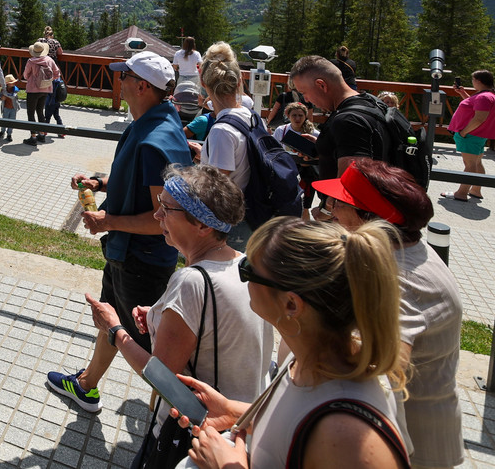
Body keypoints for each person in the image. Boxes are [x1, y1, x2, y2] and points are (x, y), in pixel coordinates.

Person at [179, 217, 410, 469]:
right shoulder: (303, 357)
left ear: (291, 304)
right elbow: (296, 423)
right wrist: (232, 411)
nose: (242, 275)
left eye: (248, 270)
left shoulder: (348, 436)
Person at [82, 165, 271, 468]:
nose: (157, 217)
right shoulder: (246, 264)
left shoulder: (192, 281)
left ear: (202, 225)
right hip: (242, 429)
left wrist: (114, 329)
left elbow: (162, 378)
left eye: (166, 209)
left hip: (196, 435)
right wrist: (159, 317)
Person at [46, 51, 190, 413]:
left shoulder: (156, 141)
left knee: (148, 352)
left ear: (142, 85)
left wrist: (108, 221)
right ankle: (86, 386)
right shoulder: (151, 122)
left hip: (141, 260)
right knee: (111, 319)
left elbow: (165, 219)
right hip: (127, 256)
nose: (118, 80)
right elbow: (135, 183)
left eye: (123, 75)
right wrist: (98, 182)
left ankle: (182, 417)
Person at [313, 159, 463, 469]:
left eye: (338, 203)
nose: (329, 210)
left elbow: (384, 366)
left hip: (412, 448)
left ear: (371, 219)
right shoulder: (402, 248)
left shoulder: (399, 279)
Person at [289, 55, 387, 204]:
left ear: (322, 85)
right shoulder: (372, 102)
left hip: (351, 221)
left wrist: (326, 211)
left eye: (304, 93)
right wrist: (324, 149)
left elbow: (349, 188)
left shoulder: (348, 120)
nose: (306, 100)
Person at [200, 42, 254, 249]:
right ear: (240, 80)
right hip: (252, 216)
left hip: (231, 225)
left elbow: (218, 187)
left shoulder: (221, 130)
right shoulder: (250, 116)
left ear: (203, 83)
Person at [444, 69, 495, 201]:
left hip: (471, 134)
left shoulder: (484, 97)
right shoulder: (487, 95)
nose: (472, 82)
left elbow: (479, 118)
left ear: (478, 81)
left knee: (470, 164)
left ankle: (461, 193)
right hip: (477, 134)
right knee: (477, 162)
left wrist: (463, 132)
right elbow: (475, 108)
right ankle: (476, 190)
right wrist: (463, 93)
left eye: (473, 80)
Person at [273, 101, 319, 219]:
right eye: (294, 115)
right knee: (288, 202)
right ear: (288, 116)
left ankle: (303, 231)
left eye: (300, 115)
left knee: (305, 206)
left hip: (307, 172)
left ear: (305, 116)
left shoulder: (314, 133)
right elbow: (274, 150)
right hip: (288, 170)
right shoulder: (281, 131)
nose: (297, 118)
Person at [23, 41, 61, 145]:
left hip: (32, 90)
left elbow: (25, 75)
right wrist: (48, 80)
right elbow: (57, 73)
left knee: (31, 114)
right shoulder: (49, 60)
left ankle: (33, 137)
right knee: (40, 112)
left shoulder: (31, 61)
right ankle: (42, 135)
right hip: (45, 89)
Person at [0, 74, 21, 142]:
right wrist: (1, 98)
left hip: (13, 108)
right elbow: (0, 96)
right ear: (7, 84)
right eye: (11, 83)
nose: (13, 84)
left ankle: (9, 134)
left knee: (12, 122)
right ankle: (2, 132)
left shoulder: (15, 89)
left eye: (14, 82)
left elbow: (13, 96)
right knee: (4, 121)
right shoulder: (3, 90)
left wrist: (5, 95)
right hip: (5, 108)